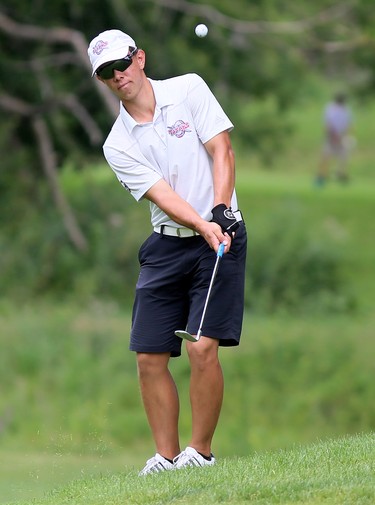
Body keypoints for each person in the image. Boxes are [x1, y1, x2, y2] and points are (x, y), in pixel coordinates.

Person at [87, 29, 247, 475]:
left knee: (201, 348)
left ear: (140, 58)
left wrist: (218, 212)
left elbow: (222, 149)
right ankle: (167, 456)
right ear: (102, 80)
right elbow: (162, 195)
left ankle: (201, 453)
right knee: (149, 356)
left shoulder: (189, 89)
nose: (118, 76)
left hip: (223, 233)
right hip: (167, 244)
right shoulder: (117, 143)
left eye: (122, 64)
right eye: (106, 73)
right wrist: (201, 222)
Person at [315, 93, 353, 186]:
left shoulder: (346, 109)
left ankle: (341, 174)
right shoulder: (331, 108)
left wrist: (343, 135)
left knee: (343, 156)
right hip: (331, 136)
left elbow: (348, 124)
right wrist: (334, 135)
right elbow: (329, 124)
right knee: (326, 155)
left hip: (341, 136)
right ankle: (322, 175)